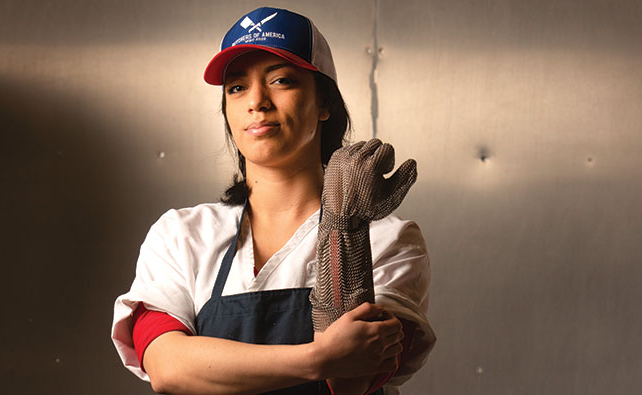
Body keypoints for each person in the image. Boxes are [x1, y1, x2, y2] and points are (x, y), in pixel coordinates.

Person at [111, 7, 435, 394]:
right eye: (236, 88)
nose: (257, 102)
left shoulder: (387, 239)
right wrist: (316, 358)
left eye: (281, 81)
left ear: (324, 103)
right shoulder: (181, 234)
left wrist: (343, 229)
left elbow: (354, 377)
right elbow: (167, 367)